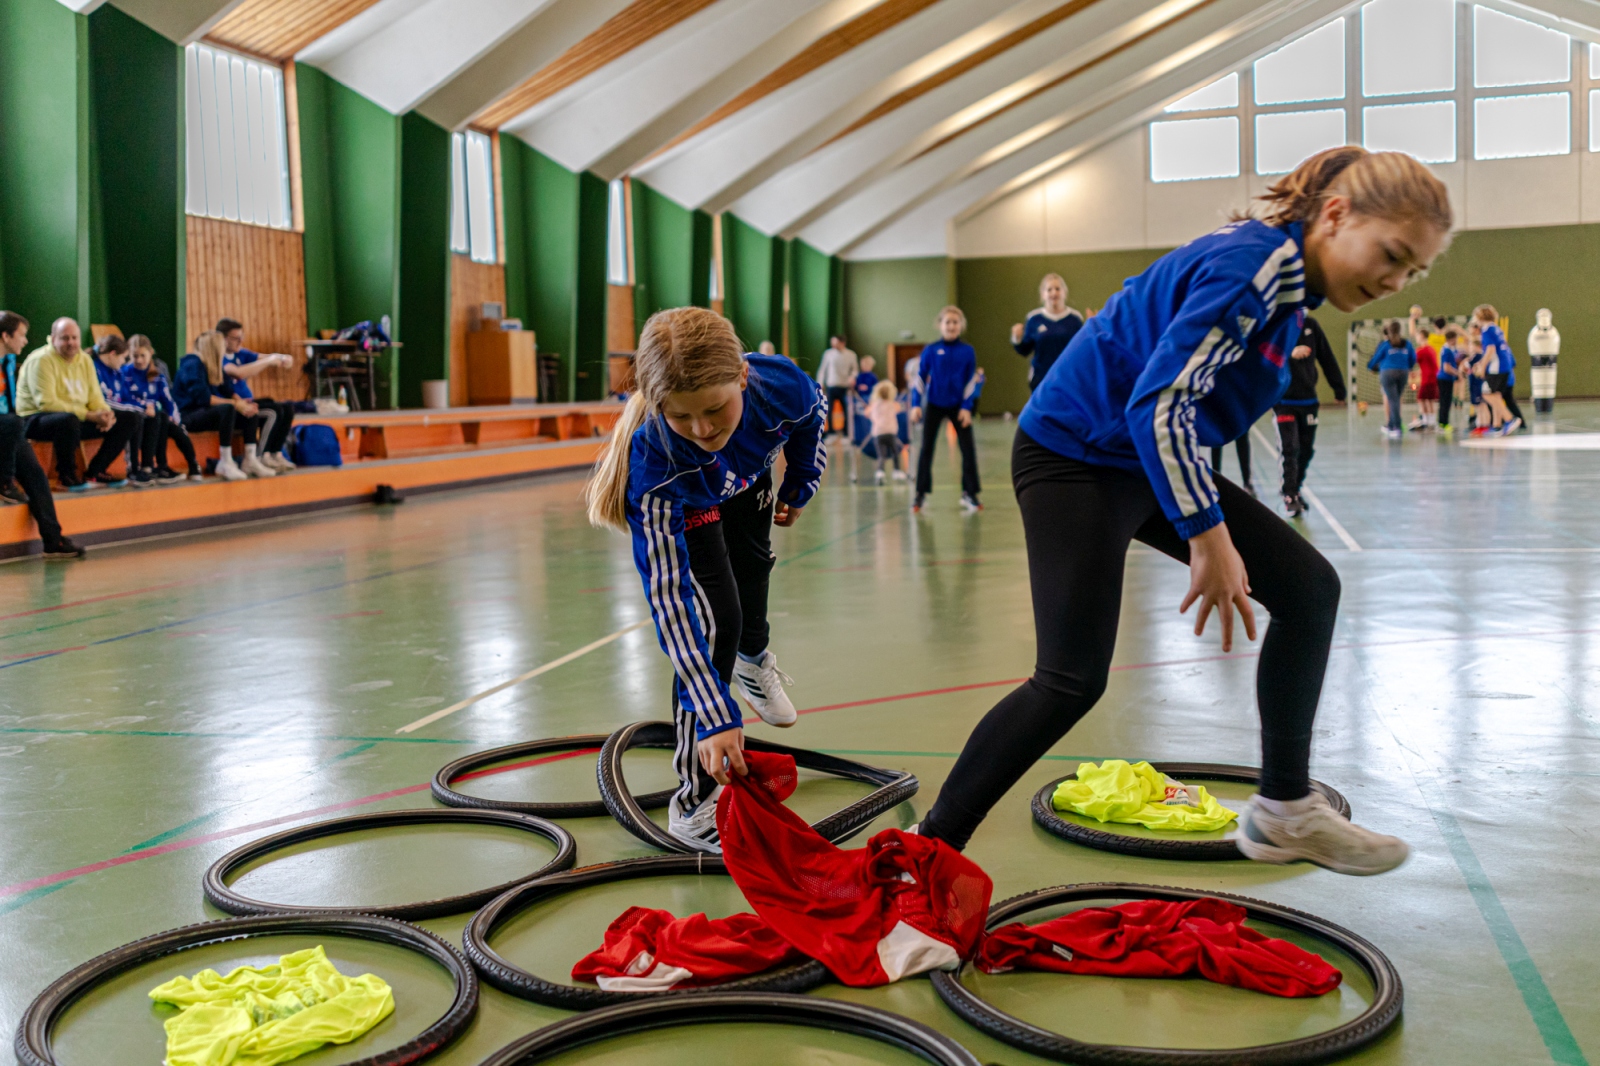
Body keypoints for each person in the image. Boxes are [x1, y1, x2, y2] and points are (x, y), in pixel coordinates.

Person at [913, 147, 1451, 875]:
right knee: (1070, 680)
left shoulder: (1291, 290)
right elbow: (1161, 402)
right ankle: (923, 853)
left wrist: (1209, 522)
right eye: (1391, 256)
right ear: (1335, 215)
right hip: (1075, 454)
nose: (1395, 282)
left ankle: (1285, 812)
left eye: (1414, 272)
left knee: (1309, 590)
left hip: (1137, 454)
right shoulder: (1256, 269)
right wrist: (1208, 535)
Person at [584, 307, 826, 853]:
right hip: (693, 495)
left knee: (756, 570)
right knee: (719, 622)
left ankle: (754, 659)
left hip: (748, 475)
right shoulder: (656, 464)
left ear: (743, 377)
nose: (702, 430)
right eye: (681, 418)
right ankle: (692, 805)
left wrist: (802, 481)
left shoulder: (780, 384)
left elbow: (814, 414)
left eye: (716, 410)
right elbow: (671, 602)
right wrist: (717, 714)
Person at [0, 311, 84, 558]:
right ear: (5, 336)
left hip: (7, 428)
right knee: (13, 423)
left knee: (36, 475)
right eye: (22, 335)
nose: (25, 341)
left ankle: (53, 539)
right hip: (4, 426)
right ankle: (5, 481)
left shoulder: (9, 362)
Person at [17, 318, 136, 489]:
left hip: (74, 419)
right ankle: (66, 476)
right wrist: (89, 415)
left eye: (74, 338)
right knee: (67, 420)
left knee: (129, 419)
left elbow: (95, 397)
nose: (71, 342)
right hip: (35, 419)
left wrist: (104, 414)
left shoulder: (85, 360)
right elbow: (46, 403)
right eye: (65, 338)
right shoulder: (41, 360)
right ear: (53, 338)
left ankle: (96, 472)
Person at [910, 306, 981, 514]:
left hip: (959, 407)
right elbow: (921, 377)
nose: (951, 326)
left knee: (968, 450)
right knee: (926, 449)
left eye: (955, 322)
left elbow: (971, 382)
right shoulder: (931, 350)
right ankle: (920, 493)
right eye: (947, 322)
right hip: (934, 404)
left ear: (961, 326)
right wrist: (916, 404)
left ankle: (970, 493)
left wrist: (967, 408)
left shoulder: (968, 351)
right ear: (940, 325)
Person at [1275, 313, 1345, 517]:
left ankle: (1295, 488)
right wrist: (1290, 353)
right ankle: (1288, 495)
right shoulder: (1278, 323)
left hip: (1308, 401)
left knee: (1306, 450)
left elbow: (1326, 356)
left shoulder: (1311, 325)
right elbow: (1267, 354)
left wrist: (1338, 389)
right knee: (1290, 448)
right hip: (1284, 402)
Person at [173, 331, 260, 481]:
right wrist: (235, 404)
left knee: (247, 410)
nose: (224, 350)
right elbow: (203, 398)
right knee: (228, 408)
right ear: (214, 348)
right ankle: (225, 461)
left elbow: (227, 389)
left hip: (203, 412)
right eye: (222, 346)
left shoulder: (212, 364)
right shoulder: (192, 364)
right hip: (187, 415)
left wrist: (241, 403)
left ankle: (250, 459)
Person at [218, 318, 297, 470]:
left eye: (242, 337)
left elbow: (265, 356)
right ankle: (262, 455)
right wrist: (269, 361)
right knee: (273, 412)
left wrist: (282, 358)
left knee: (287, 408)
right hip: (234, 406)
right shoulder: (220, 359)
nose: (240, 342)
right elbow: (239, 373)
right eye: (236, 338)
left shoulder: (242, 353)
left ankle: (276, 453)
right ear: (224, 339)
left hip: (248, 401)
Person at [123, 335, 200, 482]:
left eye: (142, 356)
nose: (138, 360)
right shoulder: (126, 373)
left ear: (151, 353)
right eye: (135, 356)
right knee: (158, 418)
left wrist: (174, 416)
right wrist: (144, 406)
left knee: (173, 425)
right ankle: (148, 466)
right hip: (138, 418)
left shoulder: (157, 374)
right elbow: (124, 397)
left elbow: (167, 400)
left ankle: (192, 466)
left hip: (155, 417)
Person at [90, 335, 150, 486]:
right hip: (93, 415)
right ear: (112, 354)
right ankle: (129, 469)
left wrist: (143, 405)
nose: (124, 362)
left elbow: (126, 397)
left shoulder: (116, 372)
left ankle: (148, 466)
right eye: (123, 358)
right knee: (132, 417)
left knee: (150, 416)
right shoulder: (93, 367)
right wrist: (140, 408)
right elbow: (102, 400)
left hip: (110, 413)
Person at [1010, 273, 1084, 390]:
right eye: (1049, 290)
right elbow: (1025, 350)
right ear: (1043, 294)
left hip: (1068, 379)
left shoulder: (1075, 318)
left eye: (1057, 289)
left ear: (1064, 292)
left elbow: (1081, 349)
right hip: (1041, 379)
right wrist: (1016, 339)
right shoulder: (1034, 318)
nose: (1054, 293)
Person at [1475, 304, 1523, 435]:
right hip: (1504, 365)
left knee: (1487, 394)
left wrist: (1482, 368)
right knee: (1496, 394)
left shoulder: (1486, 330)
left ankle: (1510, 419)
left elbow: (1490, 350)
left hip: (1497, 367)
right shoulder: (1497, 329)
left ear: (1480, 317)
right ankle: (1497, 426)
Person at [1366, 320, 1414, 439]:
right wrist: (1408, 367)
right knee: (1396, 399)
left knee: (1393, 400)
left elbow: (1376, 358)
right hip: (1403, 372)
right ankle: (1391, 425)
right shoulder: (1407, 344)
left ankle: (1396, 427)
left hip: (1388, 373)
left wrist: (1370, 366)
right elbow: (1413, 357)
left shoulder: (1386, 344)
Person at [815, 336, 858, 440]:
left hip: (844, 386)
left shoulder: (851, 354)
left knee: (846, 409)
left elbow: (855, 370)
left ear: (842, 343)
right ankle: (831, 432)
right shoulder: (828, 354)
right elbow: (822, 369)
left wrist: (852, 378)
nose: (834, 345)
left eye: (836, 343)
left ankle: (846, 432)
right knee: (829, 409)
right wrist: (820, 382)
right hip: (831, 385)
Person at [865, 379, 905, 484]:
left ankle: (880, 472)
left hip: (878, 433)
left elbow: (867, 413)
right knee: (895, 452)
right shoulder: (892, 404)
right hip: (890, 432)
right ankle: (897, 471)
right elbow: (899, 408)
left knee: (881, 455)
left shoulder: (874, 405)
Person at [1408, 330, 1438, 432]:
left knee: (1422, 400)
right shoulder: (1430, 349)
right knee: (1428, 400)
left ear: (1421, 336)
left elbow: (1411, 359)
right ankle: (1430, 422)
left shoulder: (1422, 350)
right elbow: (1428, 366)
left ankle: (1427, 421)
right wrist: (1418, 372)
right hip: (1431, 378)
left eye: (1417, 335)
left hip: (1428, 379)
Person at [1435, 325, 1462, 436]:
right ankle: (1442, 423)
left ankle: (1445, 423)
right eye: (1454, 339)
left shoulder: (1454, 349)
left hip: (1449, 379)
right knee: (1444, 402)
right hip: (1444, 379)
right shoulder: (1446, 350)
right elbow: (1446, 367)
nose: (1455, 341)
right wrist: (1457, 373)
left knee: (1448, 401)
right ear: (1449, 340)